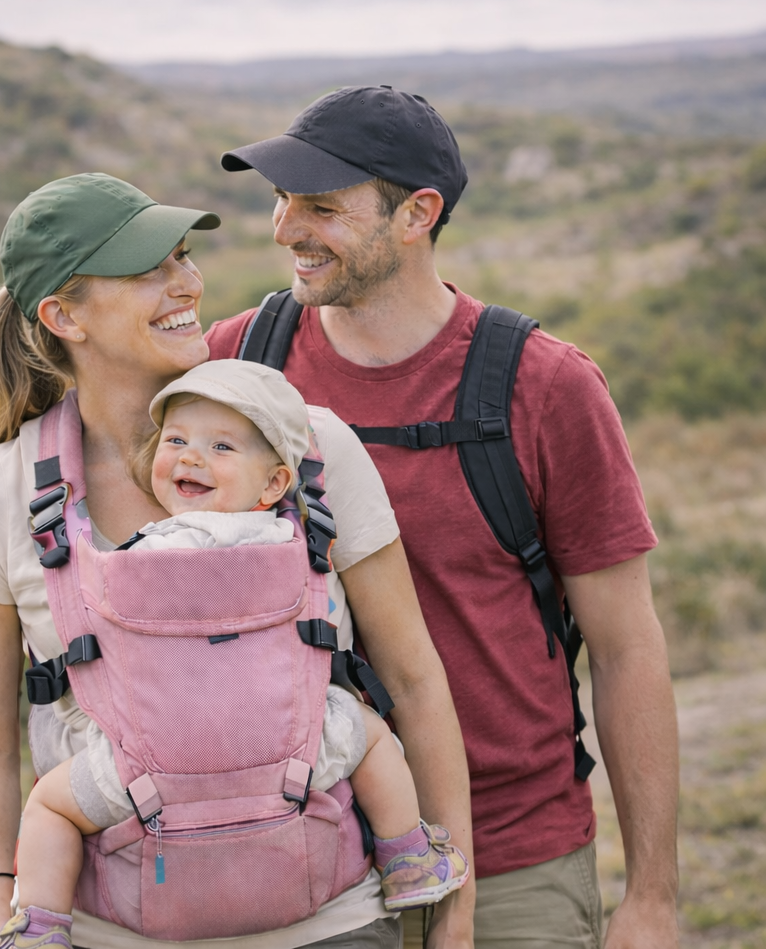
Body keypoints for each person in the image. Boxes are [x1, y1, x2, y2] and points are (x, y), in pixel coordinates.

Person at [0, 172, 473, 949]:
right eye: (149, 270)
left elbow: (416, 682)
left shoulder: (311, 450)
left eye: (184, 257)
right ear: (62, 316)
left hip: (336, 925)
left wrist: (451, 918)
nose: (187, 283)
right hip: (109, 932)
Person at [206, 87, 680, 949]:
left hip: (510, 858)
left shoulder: (545, 388)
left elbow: (626, 647)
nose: (284, 229)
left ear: (418, 213)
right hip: (298, 860)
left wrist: (653, 897)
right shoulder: (240, 364)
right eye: (280, 201)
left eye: (320, 207)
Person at [0, 359, 470, 948]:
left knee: (49, 806)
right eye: (176, 441)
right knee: (371, 736)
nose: (192, 457)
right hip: (295, 756)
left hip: (143, 774)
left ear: (274, 481)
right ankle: (407, 856)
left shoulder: (143, 548)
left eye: (220, 446)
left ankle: (41, 923)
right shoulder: (291, 536)